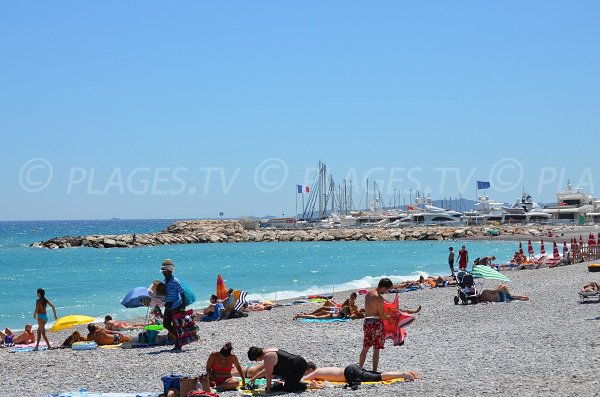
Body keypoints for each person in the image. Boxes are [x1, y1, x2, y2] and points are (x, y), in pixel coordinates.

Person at [359, 278, 393, 372]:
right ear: (383, 287)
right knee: (376, 349)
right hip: (376, 324)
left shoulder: (368, 293)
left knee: (365, 348)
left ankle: (359, 368)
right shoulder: (379, 298)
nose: (387, 292)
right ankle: (374, 371)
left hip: (367, 322)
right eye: (387, 290)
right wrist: (390, 318)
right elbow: (381, 315)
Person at [247, 347, 313, 393]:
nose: (256, 361)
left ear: (257, 356)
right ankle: (293, 382)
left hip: (298, 366)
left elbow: (268, 374)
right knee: (285, 383)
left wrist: (268, 390)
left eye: (255, 359)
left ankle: (304, 385)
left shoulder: (268, 356)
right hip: (293, 366)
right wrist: (255, 377)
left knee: (288, 389)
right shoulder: (267, 351)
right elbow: (267, 370)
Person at [303, 363, 421, 384]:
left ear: (310, 369)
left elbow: (303, 380)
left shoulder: (316, 372)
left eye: (305, 372)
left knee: (378, 377)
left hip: (350, 373)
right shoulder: (321, 370)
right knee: (377, 374)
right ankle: (407, 373)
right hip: (351, 369)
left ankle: (404, 374)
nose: (305, 374)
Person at [161, 259, 186, 351]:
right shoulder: (164, 282)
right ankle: (179, 338)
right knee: (166, 324)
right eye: (163, 271)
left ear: (169, 271)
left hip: (176, 306)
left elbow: (182, 294)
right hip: (168, 306)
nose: (163, 273)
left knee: (175, 326)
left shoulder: (175, 281)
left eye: (165, 271)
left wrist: (183, 307)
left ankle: (178, 344)